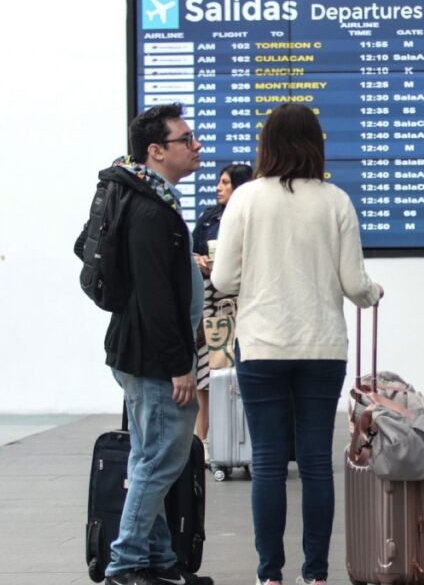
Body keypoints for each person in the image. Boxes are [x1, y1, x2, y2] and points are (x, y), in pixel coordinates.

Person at [211, 103, 382, 585]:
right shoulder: (335, 201)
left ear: (266, 143)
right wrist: (373, 293)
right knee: (314, 463)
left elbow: (223, 278)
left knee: (266, 461)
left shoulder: (244, 199)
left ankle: (269, 575)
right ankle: (317, 575)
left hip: (262, 345)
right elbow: (355, 284)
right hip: (323, 345)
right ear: (316, 143)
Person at [100, 103, 214, 585]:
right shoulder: (149, 210)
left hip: (143, 354)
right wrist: (179, 366)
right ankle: (124, 566)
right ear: (155, 151)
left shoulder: (146, 201)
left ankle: (160, 562)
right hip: (154, 359)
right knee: (159, 461)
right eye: (185, 140)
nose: (196, 146)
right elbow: (155, 298)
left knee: (154, 461)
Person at [192, 163, 253, 464]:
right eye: (219, 181)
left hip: (242, 302)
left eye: (226, 182)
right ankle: (202, 441)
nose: (219, 187)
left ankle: (242, 442)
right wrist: (199, 259)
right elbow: (189, 251)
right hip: (211, 304)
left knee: (240, 373)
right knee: (206, 372)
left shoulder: (252, 218)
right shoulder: (208, 218)